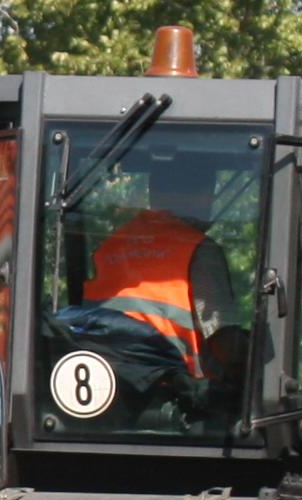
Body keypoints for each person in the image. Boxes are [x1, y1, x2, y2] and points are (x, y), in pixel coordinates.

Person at [82, 147, 245, 383]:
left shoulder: (110, 246)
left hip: (108, 386)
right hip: (176, 394)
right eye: (210, 190)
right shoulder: (198, 249)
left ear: (153, 191)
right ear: (203, 194)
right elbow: (223, 343)